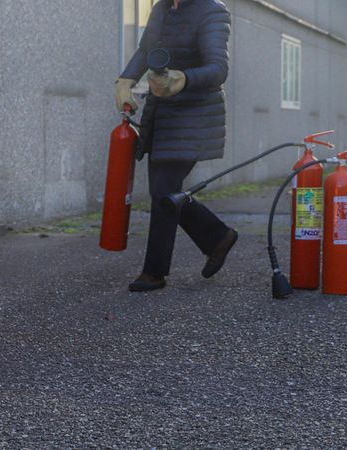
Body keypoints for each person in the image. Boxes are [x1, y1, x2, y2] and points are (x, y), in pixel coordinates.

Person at [114, 0, 238, 292]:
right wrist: (126, 79)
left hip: (195, 117)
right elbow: (146, 50)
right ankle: (217, 237)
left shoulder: (212, 11)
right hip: (162, 114)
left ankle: (154, 273)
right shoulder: (161, 8)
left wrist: (182, 79)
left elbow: (218, 69)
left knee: (163, 190)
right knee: (165, 191)